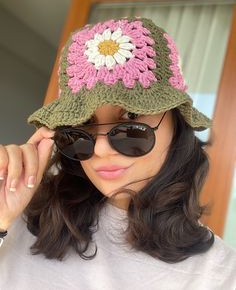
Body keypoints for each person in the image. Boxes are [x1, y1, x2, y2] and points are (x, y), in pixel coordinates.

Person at [0, 17, 235, 290]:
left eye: (131, 119)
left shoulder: (221, 275)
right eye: (83, 124)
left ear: (176, 124)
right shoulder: (18, 219)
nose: (100, 148)